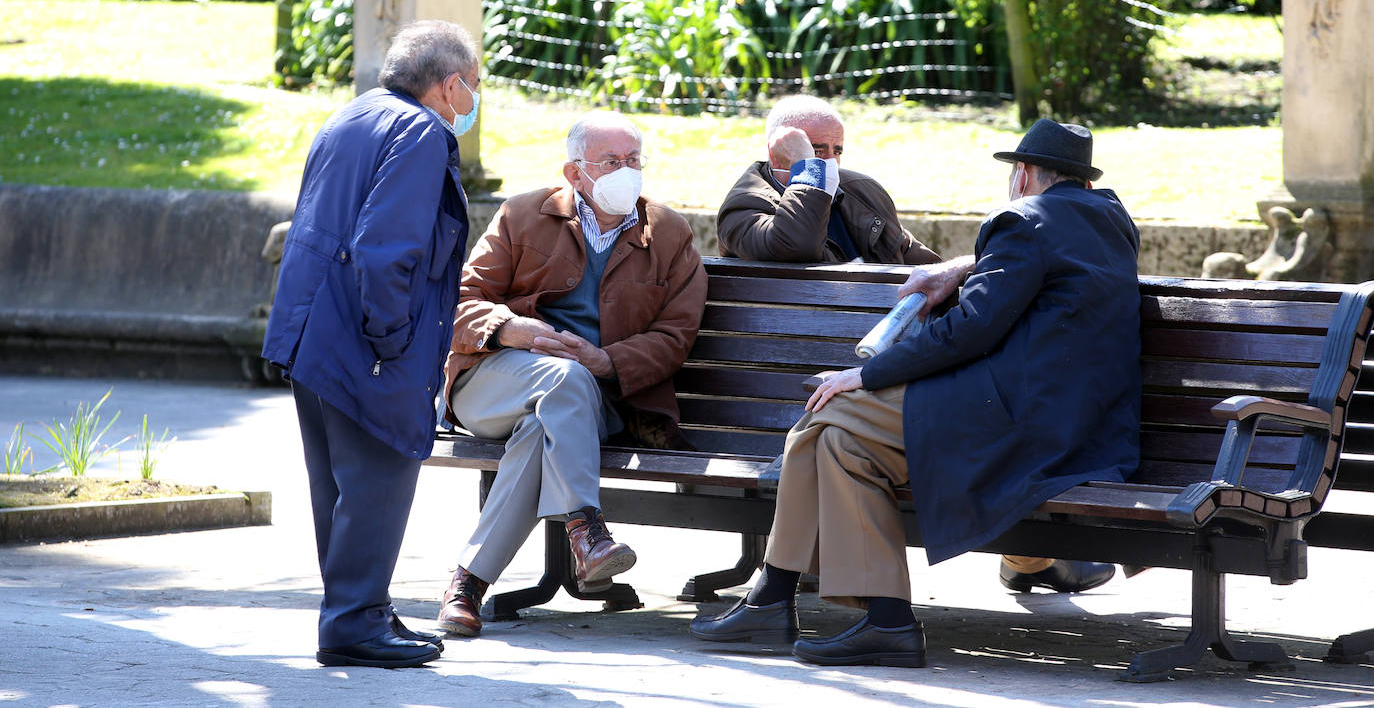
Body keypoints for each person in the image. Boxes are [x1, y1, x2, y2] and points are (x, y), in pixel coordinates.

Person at [690, 119, 1141, 668]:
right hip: (1078, 419)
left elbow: (974, 326)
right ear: (1085, 183)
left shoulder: (1021, 221)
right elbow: (1048, 261)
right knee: (840, 445)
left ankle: (776, 597)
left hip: (1017, 417)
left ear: (1022, 175)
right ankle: (884, 621)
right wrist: (964, 264)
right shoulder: (1110, 220)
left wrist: (868, 374)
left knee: (830, 412)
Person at [435, 110, 707, 638]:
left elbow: (677, 335)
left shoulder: (669, 233)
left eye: (633, 160)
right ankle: (586, 528)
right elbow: (459, 301)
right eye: (610, 162)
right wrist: (507, 327)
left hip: (599, 400)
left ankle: (467, 584)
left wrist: (608, 361)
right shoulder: (522, 214)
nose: (624, 171)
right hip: (495, 383)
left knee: (549, 419)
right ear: (573, 171)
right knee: (562, 379)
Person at [261, 20, 479, 668]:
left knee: (341, 486)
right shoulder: (419, 132)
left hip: (312, 331)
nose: (473, 99)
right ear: (449, 86)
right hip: (367, 336)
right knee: (378, 477)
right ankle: (354, 620)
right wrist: (391, 340)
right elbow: (386, 251)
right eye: (474, 84)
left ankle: (361, 609)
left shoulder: (350, 116)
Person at [716, 94, 941, 265]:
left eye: (838, 151)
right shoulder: (743, 207)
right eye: (816, 152)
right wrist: (808, 171)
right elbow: (797, 245)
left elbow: (915, 259)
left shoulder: (862, 191)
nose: (831, 162)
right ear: (776, 153)